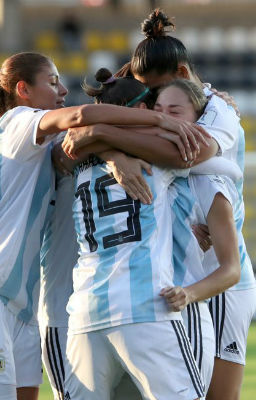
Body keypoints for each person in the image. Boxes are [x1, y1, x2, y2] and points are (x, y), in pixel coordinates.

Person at [0, 52, 209, 400]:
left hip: (29, 303)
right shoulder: (17, 122)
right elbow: (81, 118)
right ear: (23, 89)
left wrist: (110, 151)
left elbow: (76, 142)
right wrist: (165, 123)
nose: (62, 91)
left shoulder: (53, 145)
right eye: (52, 82)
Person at [60, 68, 215, 400]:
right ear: (139, 111)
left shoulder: (79, 161)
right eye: (152, 107)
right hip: (143, 306)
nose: (158, 114)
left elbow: (66, 148)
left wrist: (102, 140)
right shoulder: (152, 156)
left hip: (86, 310)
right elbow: (203, 148)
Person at [128, 10, 256, 400]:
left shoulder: (218, 111)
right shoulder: (167, 108)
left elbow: (188, 153)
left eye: (157, 90)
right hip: (177, 277)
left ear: (183, 75)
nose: (150, 102)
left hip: (216, 276)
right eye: (145, 93)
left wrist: (108, 140)